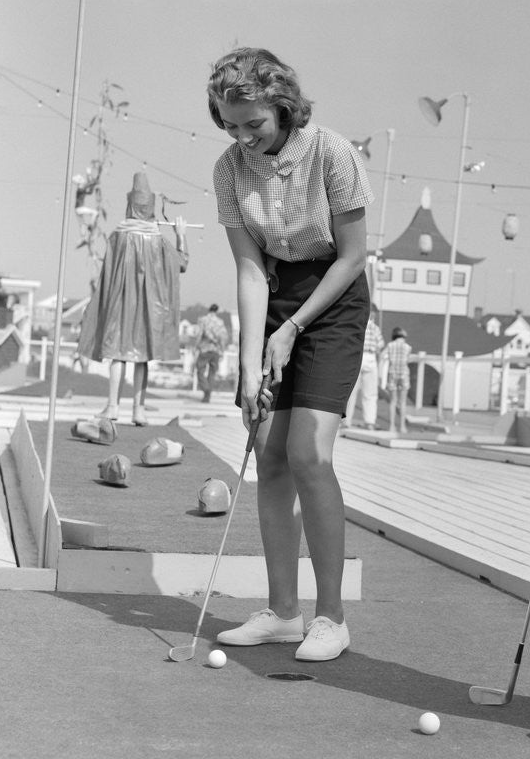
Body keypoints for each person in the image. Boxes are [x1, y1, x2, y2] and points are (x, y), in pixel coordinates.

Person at [208, 47, 372, 662]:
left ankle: (330, 619)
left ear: (282, 107)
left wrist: (295, 327)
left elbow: (354, 255)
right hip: (276, 296)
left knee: (307, 453)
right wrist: (251, 363)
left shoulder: (330, 151)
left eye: (256, 124)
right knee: (268, 454)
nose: (244, 138)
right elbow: (250, 270)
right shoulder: (228, 169)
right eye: (231, 125)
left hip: (333, 300)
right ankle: (282, 613)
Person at [78, 172, 189, 426]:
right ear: (150, 207)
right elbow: (181, 264)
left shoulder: (118, 236)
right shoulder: (158, 240)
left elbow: (106, 276)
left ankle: (112, 406)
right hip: (150, 310)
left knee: (118, 355)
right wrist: (180, 234)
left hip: (120, 308)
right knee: (142, 357)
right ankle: (139, 410)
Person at [344, 303, 384, 428]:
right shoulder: (375, 328)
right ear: (373, 314)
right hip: (371, 358)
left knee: (351, 392)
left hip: (358, 356)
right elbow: (380, 347)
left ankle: (346, 421)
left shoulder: (358, 325)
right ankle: (370, 421)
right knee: (370, 393)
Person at [195, 303, 229, 403]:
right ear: (216, 311)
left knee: (200, 370)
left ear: (209, 310)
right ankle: (208, 394)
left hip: (205, 349)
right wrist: (222, 350)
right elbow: (223, 337)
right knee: (212, 373)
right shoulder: (220, 322)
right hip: (216, 350)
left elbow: (199, 334)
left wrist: (196, 346)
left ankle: (206, 389)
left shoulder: (203, 320)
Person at [382, 327, 412, 435]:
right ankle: (402, 427)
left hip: (392, 373)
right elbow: (407, 360)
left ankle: (391, 426)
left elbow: (382, 355)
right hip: (404, 374)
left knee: (393, 401)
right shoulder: (408, 347)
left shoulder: (390, 345)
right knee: (402, 402)